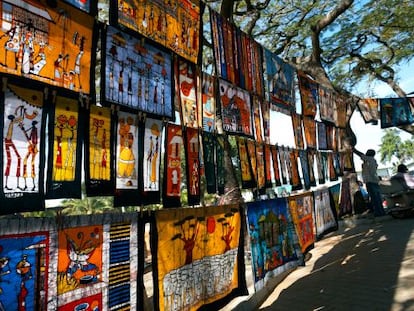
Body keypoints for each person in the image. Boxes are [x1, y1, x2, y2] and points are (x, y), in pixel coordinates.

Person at [353, 148, 386, 216]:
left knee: (374, 198)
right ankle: (381, 211)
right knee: (377, 198)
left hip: (370, 181)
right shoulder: (373, 160)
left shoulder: (368, 159)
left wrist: (354, 149)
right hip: (375, 181)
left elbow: (360, 154)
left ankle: (378, 213)